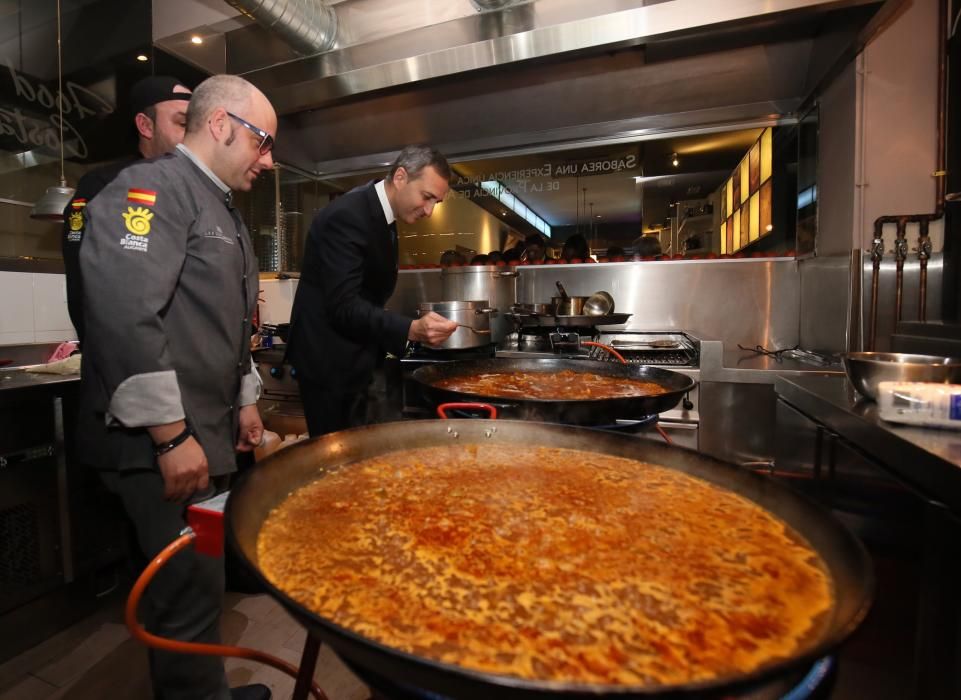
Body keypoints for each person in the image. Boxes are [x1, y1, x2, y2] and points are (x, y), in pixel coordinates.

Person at [78, 74, 277, 700]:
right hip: (166, 448)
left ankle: (206, 691)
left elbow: (222, 324)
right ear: (221, 125)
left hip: (208, 440)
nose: (269, 160)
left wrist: (244, 403)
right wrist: (169, 437)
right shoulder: (149, 189)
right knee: (185, 597)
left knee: (198, 587)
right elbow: (121, 313)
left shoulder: (220, 206)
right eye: (263, 141)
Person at [286, 144, 458, 437]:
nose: (429, 211)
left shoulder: (382, 217)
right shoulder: (349, 215)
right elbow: (344, 305)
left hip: (356, 362)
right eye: (427, 197)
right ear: (401, 177)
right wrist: (411, 329)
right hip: (330, 367)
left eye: (436, 203)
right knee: (337, 467)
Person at [63, 75, 192, 346]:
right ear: (146, 125)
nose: (191, 136)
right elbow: (82, 285)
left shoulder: (196, 192)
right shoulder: (104, 185)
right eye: (182, 124)